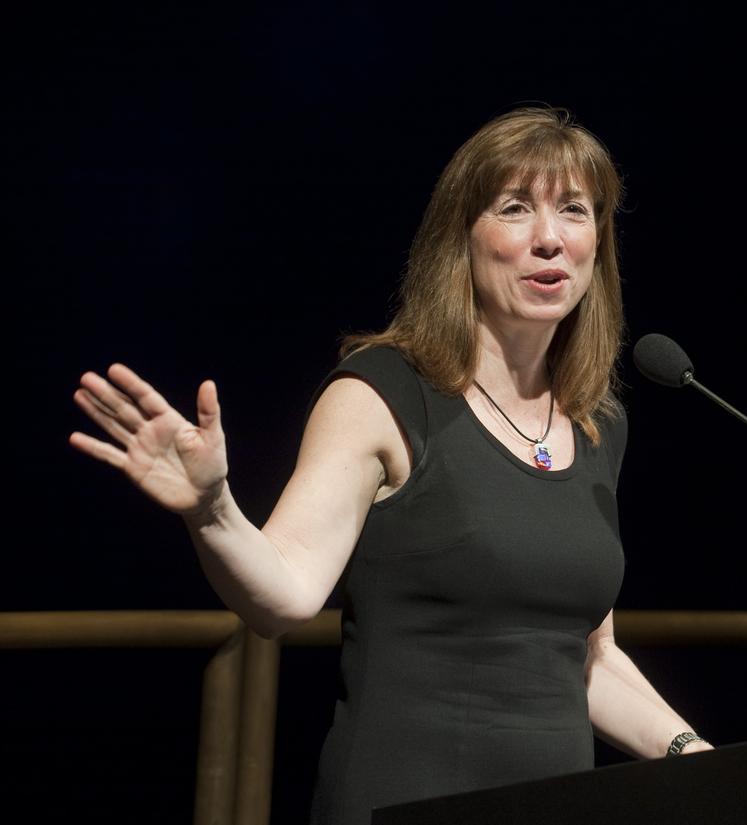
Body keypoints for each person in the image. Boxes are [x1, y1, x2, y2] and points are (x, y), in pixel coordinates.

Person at [69, 106, 712, 824]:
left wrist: (697, 756)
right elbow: (282, 593)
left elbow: (587, 657)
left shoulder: (598, 425)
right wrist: (211, 507)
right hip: (404, 803)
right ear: (461, 238)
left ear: (599, 244)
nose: (550, 239)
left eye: (573, 212)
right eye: (514, 209)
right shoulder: (382, 392)